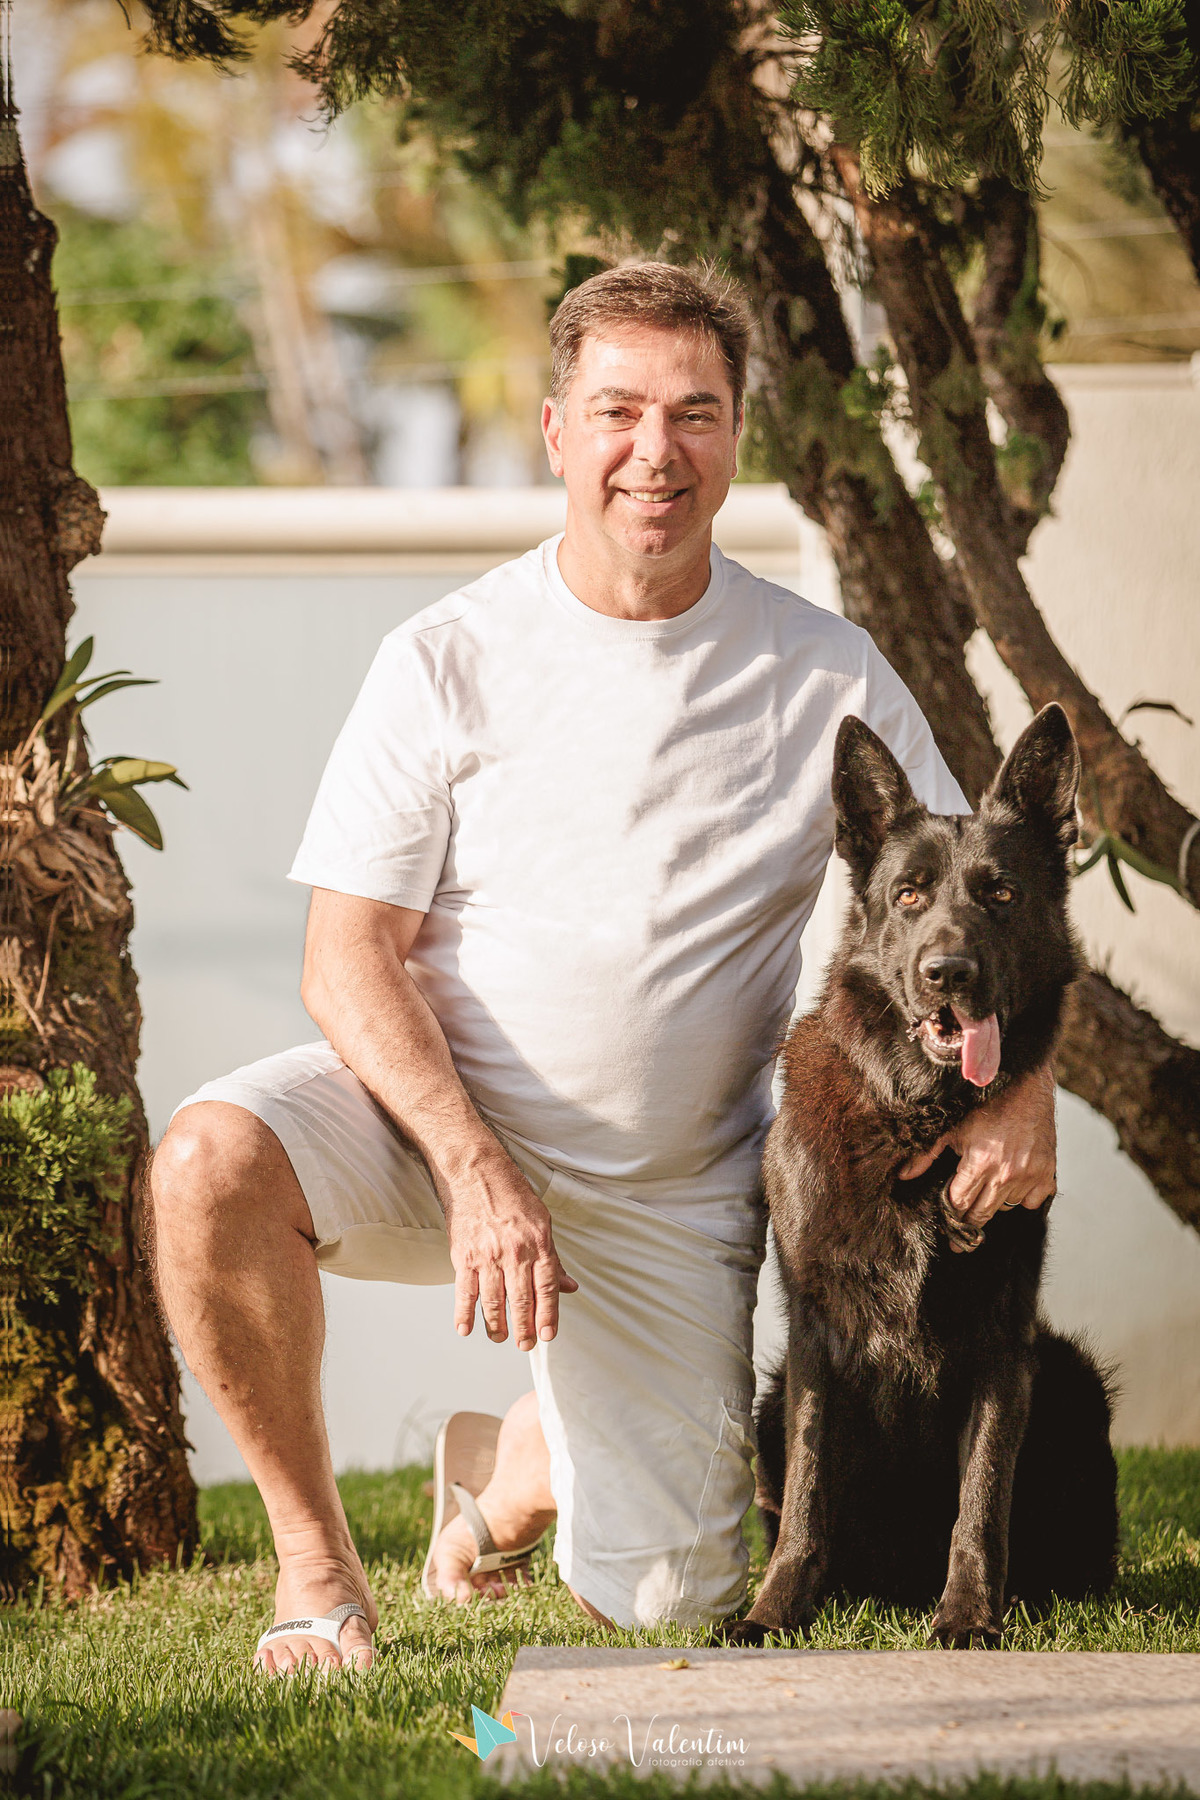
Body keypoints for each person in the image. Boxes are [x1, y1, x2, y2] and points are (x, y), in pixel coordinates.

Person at [150, 263, 1057, 1675]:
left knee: (666, 1610)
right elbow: (345, 959)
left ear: (737, 434)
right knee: (209, 1161)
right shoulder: (444, 657)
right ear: (557, 429)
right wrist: (473, 1167)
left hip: (671, 1191)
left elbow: (973, 904)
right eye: (620, 409)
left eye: (695, 413)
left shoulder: (825, 669)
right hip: (435, 1131)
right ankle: (316, 1567)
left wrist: (1024, 1096)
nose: (656, 450)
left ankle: (518, 1464)